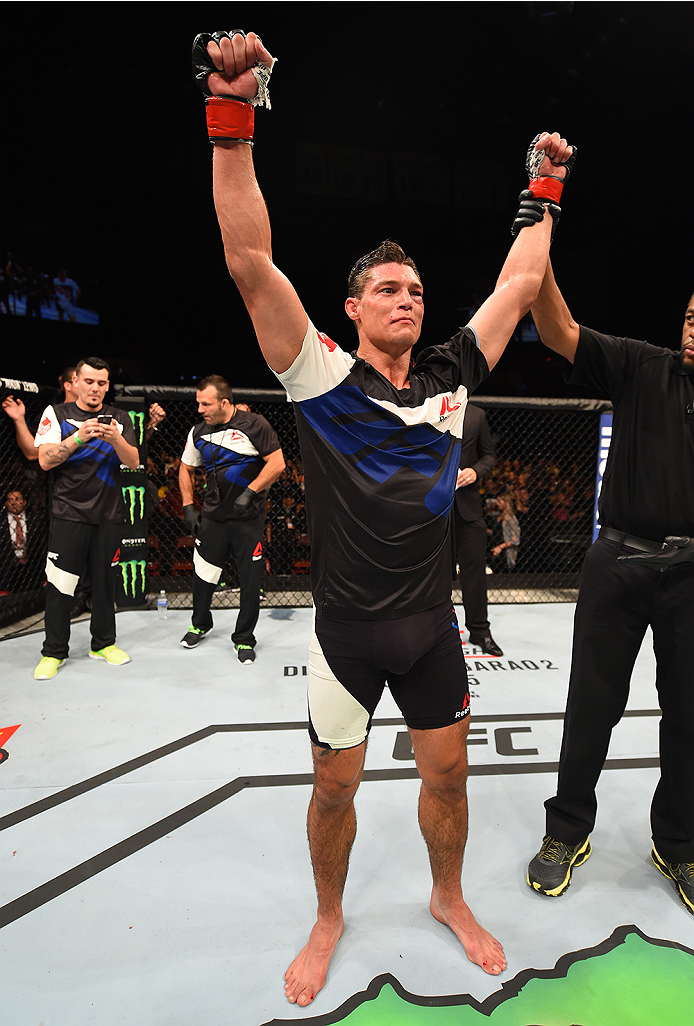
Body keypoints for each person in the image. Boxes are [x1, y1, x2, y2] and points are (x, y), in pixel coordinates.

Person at [192, 26, 574, 1003]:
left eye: (414, 289)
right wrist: (230, 115)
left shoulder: (451, 377)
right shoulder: (320, 380)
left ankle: (448, 897)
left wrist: (543, 192)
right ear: (352, 308)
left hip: (428, 631)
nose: (408, 298)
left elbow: (520, 286)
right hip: (345, 635)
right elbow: (247, 259)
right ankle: (330, 915)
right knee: (334, 789)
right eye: (387, 290)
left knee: (447, 782)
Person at [525, 261, 694, 917]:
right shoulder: (640, 364)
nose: (690, 326)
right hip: (617, 562)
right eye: (687, 314)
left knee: (688, 715)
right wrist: (538, 226)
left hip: (691, 576)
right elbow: (556, 327)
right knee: (591, 707)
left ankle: (678, 842)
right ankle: (567, 831)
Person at [33, 356, 140, 680]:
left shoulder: (120, 418)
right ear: (76, 382)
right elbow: (44, 461)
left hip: (108, 514)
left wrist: (114, 437)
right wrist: (79, 437)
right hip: (69, 513)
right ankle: (54, 651)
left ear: (108, 385)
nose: (95, 388)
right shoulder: (58, 414)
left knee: (106, 586)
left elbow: (133, 462)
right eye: (90, 381)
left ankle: (103, 643)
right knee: (61, 586)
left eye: (102, 383)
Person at [178, 374, 284, 661]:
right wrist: (189, 506)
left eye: (206, 404)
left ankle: (244, 638)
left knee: (250, 581)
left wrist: (250, 492)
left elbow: (277, 463)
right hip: (212, 517)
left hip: (248, 518)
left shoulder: (254, 424)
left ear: (224, 403)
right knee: (203, 575)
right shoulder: (198, 432)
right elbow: (185, 467)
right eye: (198, 403)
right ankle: (199, 624)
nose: (200, 409)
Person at [452, 404, 502, 655]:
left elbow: (489, 456)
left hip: (467, 506)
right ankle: (430, 633)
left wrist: (475, 471)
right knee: (428, 572)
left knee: (474, 570)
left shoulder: (476, 415)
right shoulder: (423, 406)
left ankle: (480, 631)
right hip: (428, 507)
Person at [0, 489, 45, 591]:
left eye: (17, 499)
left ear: (24, 502)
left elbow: (42, 547)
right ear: (6, 504)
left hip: (33, 570)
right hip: (6, 572)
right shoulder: (2, 522)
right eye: (10, 500)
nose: (14, 503)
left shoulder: (35, 520)